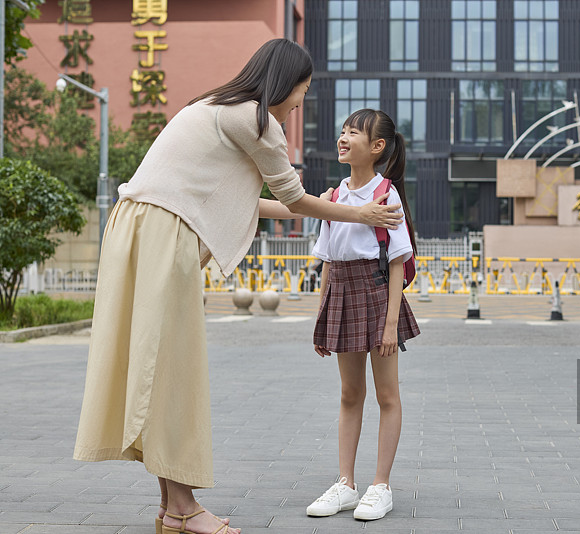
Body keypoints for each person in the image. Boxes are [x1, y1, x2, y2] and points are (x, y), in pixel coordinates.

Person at [72, 40, 403, 534]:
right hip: (163, 233)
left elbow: (261, 202)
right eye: (303, 91)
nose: (300, 103)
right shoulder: (257, 120)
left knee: (156, 368)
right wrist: (358, 213)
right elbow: (294, 200)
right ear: (287, 83)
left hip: (135, 227)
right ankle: (184, 508)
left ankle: (172, 508)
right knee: (173, 373)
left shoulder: (214, 106)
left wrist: (339, 208)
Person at [306, 109, 420, 521]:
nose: (343, 137)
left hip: (375, 294)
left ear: (377, 147)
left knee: (387, 395)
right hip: (342, 293)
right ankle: (345, 484)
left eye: (353, 132)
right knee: (349, 394)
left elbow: (397, 261)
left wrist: (390, 324)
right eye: (342, 130)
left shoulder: (386, 194)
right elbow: (327, 261)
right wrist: (321, 317)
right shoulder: (333, 197)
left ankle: (380, 486)